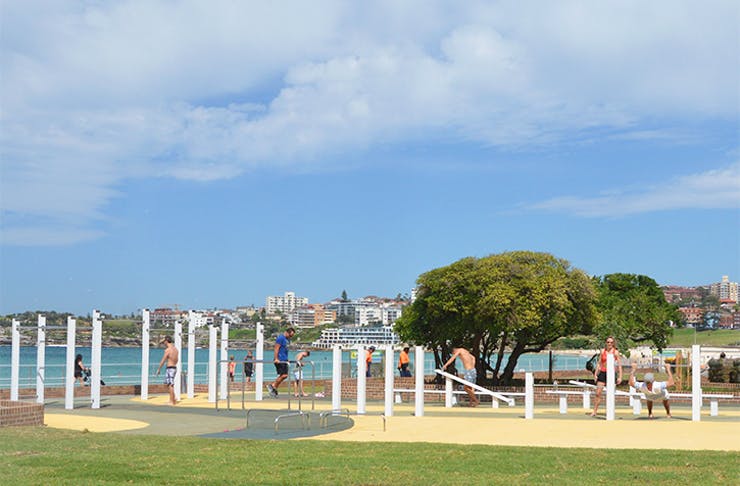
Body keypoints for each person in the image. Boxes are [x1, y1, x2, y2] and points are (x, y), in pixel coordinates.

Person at [591, 336, 623, 417]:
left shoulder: (615, 352)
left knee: (610, 393)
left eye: (611, 342)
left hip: (611, 374)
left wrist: (620, 377)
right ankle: (594, 411)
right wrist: (595, 374)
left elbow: (619, 365)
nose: (609, 344)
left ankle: (610, 411)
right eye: (608, 342)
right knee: (598, 393)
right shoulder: (603, 351)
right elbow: (599, 363)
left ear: (613, 343)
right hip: (602, 373)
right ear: (606, 343)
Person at [267, 327, 295, 398]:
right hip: (279, 359)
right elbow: (276, 348)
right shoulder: (280, 338)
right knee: (284, 375)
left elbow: (285, 350)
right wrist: (276, 358)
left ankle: (274, 387)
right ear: (287, 332)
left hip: (284, 359)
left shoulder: (287, 339)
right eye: (290, 335)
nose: (291, 337)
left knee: (284, 375)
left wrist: (287, 358)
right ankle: (273, 386)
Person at [156, 336, 179, 405]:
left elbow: (163, 360)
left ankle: (172, 401)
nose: (164, 343)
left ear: (166, 341)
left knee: (170, 385)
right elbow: (176, 359)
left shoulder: (168, 350)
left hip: (170, 368)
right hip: (174, 367)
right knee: (170, 384)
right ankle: (173, 399)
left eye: (164, 342)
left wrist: (159, 369)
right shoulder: (175, 349)